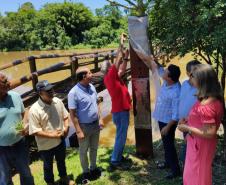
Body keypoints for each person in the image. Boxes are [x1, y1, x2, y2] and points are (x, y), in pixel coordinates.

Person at [178, 64, 224, 185]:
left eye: (193, 76)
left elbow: (210, 132)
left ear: (202, 80)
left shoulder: (206, 105)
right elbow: (202, 120)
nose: (190, 78)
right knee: (195, 173)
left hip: (200, 145)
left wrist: (187, 128)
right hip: (198, 143)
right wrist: (189, 119)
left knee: (197, 176)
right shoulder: (211, 98)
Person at [142, 55, 181, 179]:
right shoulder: (167, 81)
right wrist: (152, 59)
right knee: (166, 143)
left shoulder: (176, 92)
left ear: (169, 78)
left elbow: (176, 115)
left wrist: (168, 127)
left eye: (166, 72)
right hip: (162, 118)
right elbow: (158, 68)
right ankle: (168, 163)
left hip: (167, 122)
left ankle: (175, 171)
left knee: (169, 145)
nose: (163, 72)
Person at [28, 80, 73, 185]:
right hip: (45, 145)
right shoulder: (34, 110)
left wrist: (66, 127)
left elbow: (65, 116)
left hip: (60, 139)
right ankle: (50, 183)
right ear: (40, 93)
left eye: (51, 89)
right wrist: (51, 135)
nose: (51, 92)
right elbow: (34, 130)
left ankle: (64, 178)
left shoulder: (58, 101)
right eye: (48, 91)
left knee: (61, 161)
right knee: (48, 166)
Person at [68, 67, 103, 182]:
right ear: (83, 76)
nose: (92, 74)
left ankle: (93, 168)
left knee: (94, 148)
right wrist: (78, 131)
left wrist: (100, 119)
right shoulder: (73, 93)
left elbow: (98, 103)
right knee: (83, 151)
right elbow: (72, 114)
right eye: (89, 73)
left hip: (95, 124)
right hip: (84, 126)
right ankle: (86, 172)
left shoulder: (92, 87)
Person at [0, 73, 34, 185]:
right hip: (1, 149)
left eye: (7, 80)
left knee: (26, 173)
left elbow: (23, 113)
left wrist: (24, 124)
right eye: (4, 82)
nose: (9, 83)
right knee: (4, 178)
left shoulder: (15, 95)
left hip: (20, 144)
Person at [100, 46, 131, 169]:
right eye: (111, 65)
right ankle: (115, 160)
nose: (114, 65)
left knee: (121, 136)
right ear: (109, 69)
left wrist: (126, 57)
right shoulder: (110, 77)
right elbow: (117, 62)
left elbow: (122, 69)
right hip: (121, 112)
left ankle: (117, 156)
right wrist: (120, 47)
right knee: (121, 137)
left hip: (120, 111)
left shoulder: (113, 77)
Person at [178, 60, 201, 166]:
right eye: (194, 72)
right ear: (187, 73)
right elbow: (181, 101)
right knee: (189, 152)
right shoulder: (184, 84)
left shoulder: (202, 89)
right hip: (184, 123)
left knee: (192, 153)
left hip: (196, 126)